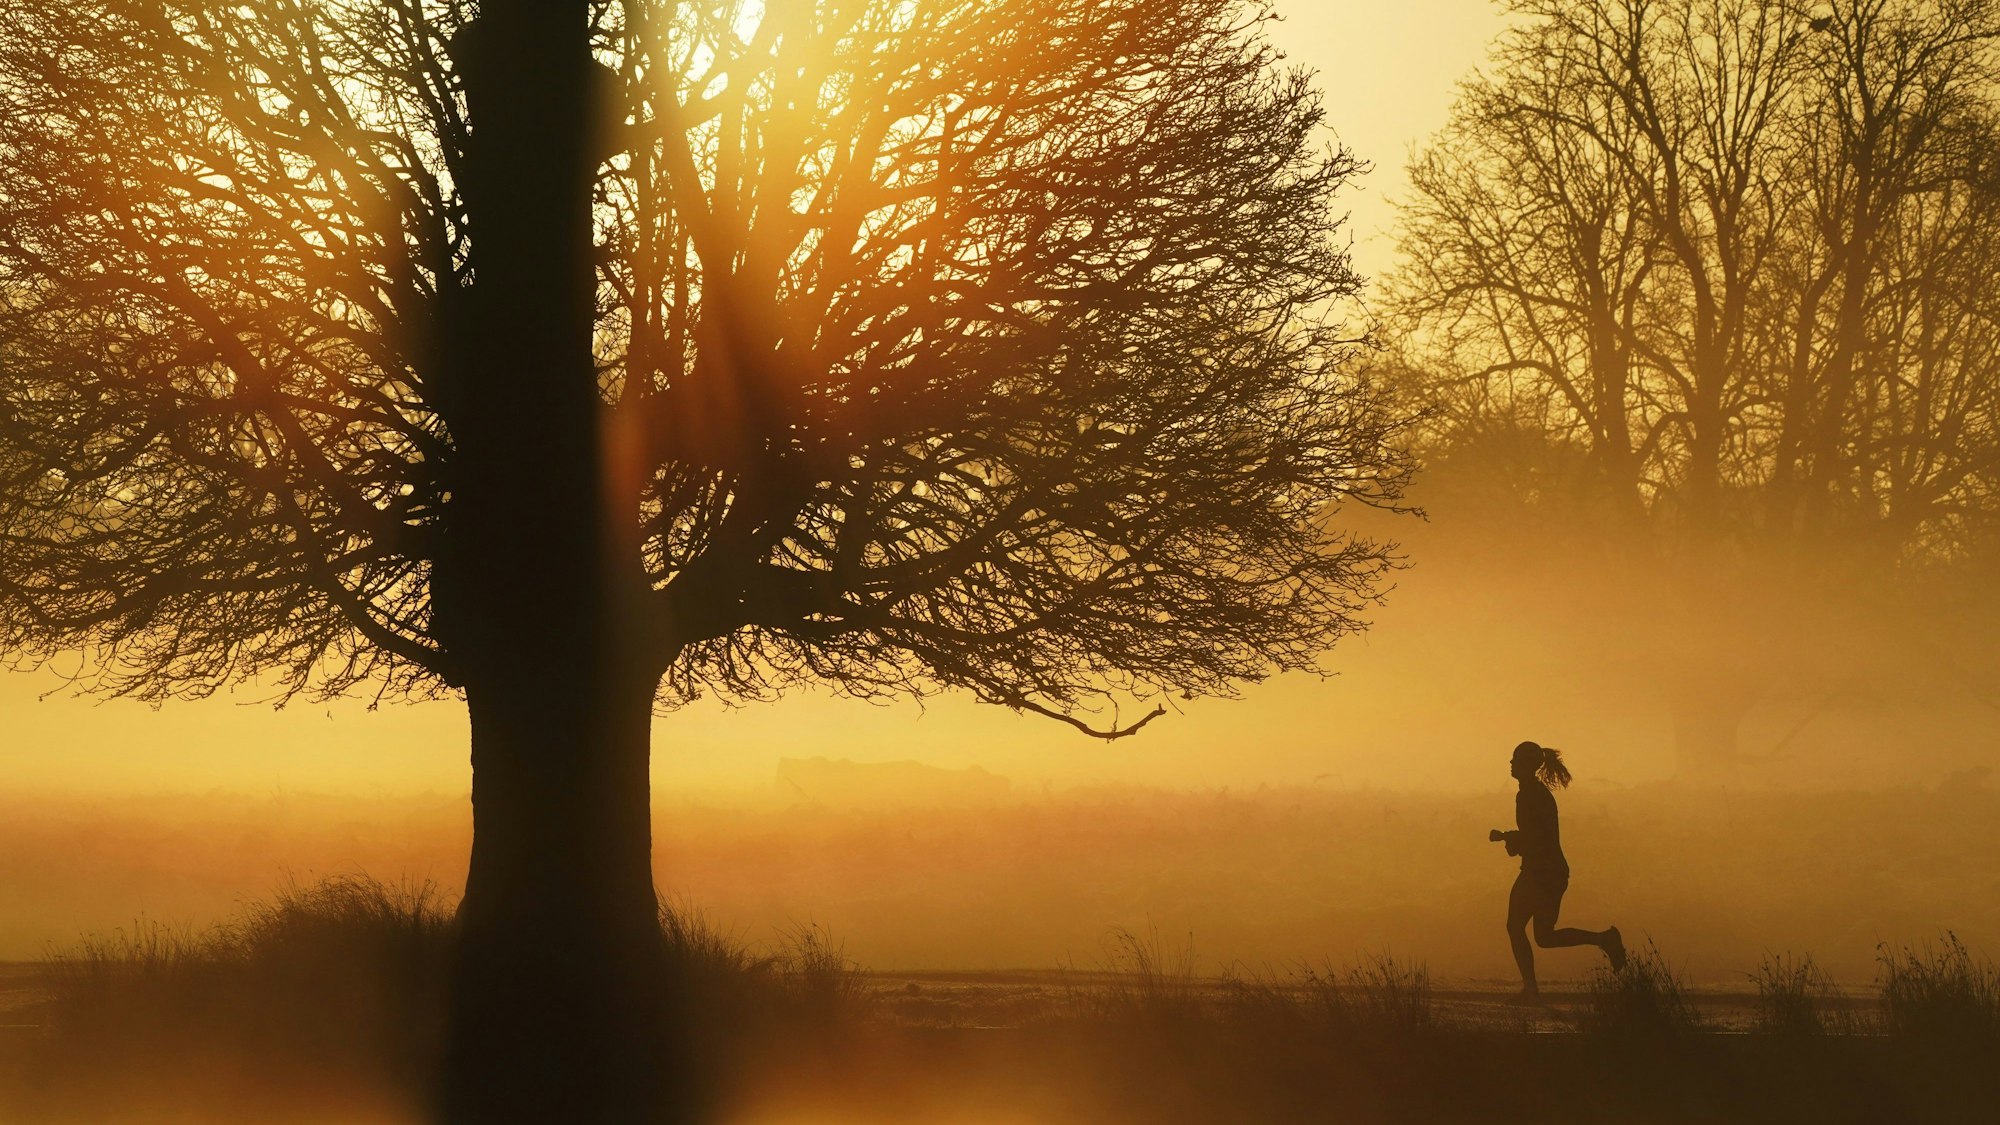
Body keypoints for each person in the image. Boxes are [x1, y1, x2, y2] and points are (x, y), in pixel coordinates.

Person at [1489, 740, 1625, 1001]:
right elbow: (1537, 836)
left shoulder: (1530, 795)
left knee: (1516, 927)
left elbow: (1536, 838)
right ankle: (1604, 940)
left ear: (1528, 765)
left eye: (1515, 759)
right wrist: (1513, 839)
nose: (1511, 763)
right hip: (1550, 872)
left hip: (1541, 873)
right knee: (1544, 936)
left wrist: (1510, 839)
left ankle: (1531, 988)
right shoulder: (1533, 793)